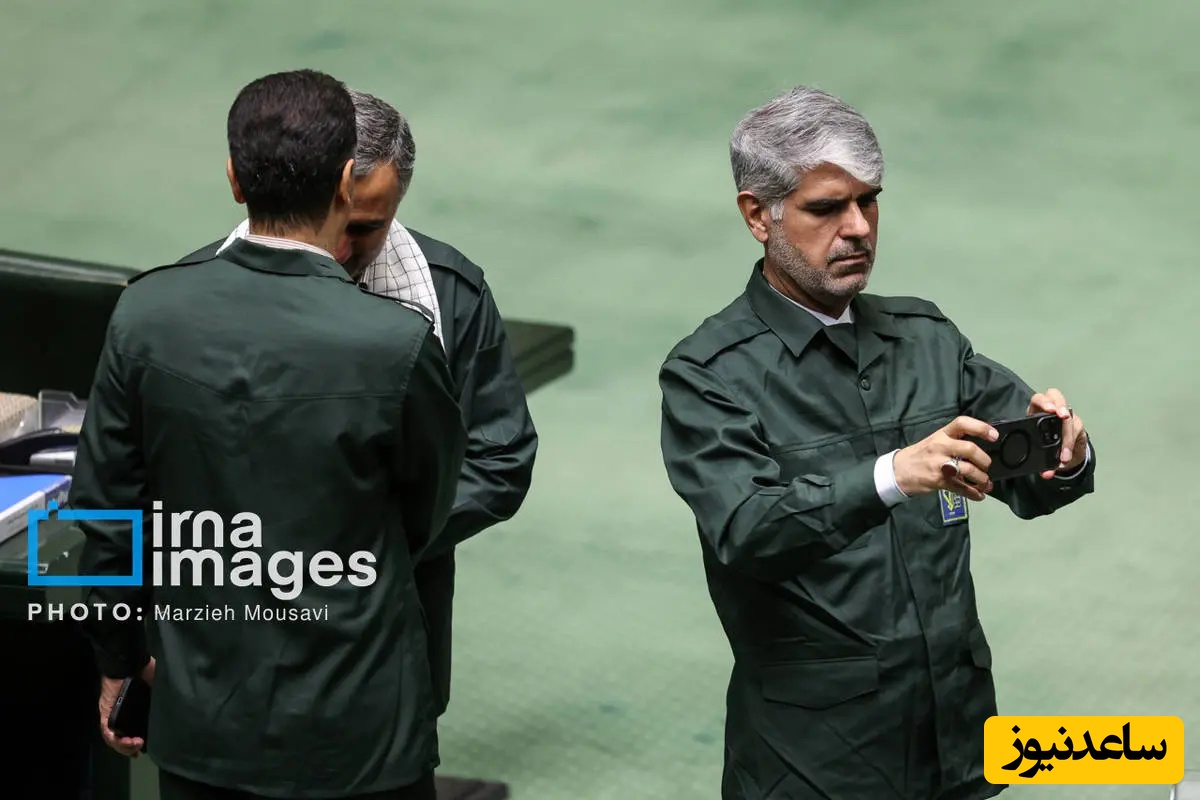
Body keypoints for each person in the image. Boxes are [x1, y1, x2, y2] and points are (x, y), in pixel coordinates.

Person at [658, 85, 1097, 800]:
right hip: (815, 766)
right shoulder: (710, 375)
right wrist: (892, 475)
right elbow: (747, 529)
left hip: (956, 746)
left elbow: (1031, 479)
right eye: (826, 208)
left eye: (870, 201)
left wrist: (1065, 451)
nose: (858, 228)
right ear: (757, 215)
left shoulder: (928, 341)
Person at [72, 69, 467, 800]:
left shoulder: (144, 316)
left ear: (233, 177)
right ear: (346, 182)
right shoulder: (400, 343)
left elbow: (104, 515)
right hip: (364, 737)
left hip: (203, 731)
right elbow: (426, 510)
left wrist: (119, 662)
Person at [184, 87, 538, 717]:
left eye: (368, 229)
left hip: (389, 642)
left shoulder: (450, 297)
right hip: (228, 633)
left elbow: (500, 458)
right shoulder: (183, 301)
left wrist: (369, 542)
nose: (342, 251)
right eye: (337, 223)